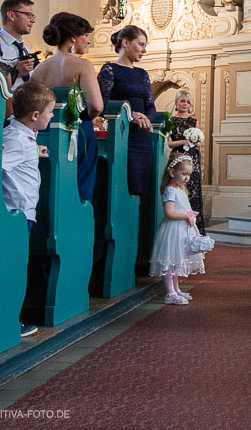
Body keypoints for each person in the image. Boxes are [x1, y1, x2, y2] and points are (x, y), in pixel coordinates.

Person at [2, 81, 55, 338]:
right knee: (14, 268)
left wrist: (34, 150)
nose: (52, 115)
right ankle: (10, 321)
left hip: (21, 213)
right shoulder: (16, 140)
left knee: (16, 266)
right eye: (50, 112)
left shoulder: (21, 137)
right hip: (16, 214)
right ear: (35, 116)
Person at [31, 12, 104, 202]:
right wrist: (85, 116)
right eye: (85, 36)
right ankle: (75, 223)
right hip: (77, 132)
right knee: (78, 188)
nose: (87, 41)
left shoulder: (39, 69)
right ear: (73, 38)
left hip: (45, 133)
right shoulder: (83, 65)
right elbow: (96, 105)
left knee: (50, 182)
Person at [97, 25, 156, 199]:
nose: (144, 50)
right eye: (141, 44)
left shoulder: (142, 74)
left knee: (141, 191)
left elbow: (151, 107)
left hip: (142, 137)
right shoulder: (109, 70)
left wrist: (145, 116)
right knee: (125, 187)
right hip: (122, 134)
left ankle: (136, 224)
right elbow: (102, 105)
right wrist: (130, 116)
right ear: (125, 42)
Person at [150, 155, 212, 305]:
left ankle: (176, 289)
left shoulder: (181, 189)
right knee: (170, 261)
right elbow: (169, 212)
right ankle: (170, 293)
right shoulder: (170, 190)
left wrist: (190, 216)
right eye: (183, 174)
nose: (187, 178)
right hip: (172, 231)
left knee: (177, 261)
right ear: (172, 173)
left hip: (181, 230)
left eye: (189, 174)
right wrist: (185, 216)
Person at [166, 89, 205, 233]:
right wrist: (183, 141)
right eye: (182, 101)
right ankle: (178, 229)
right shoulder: (171, 120)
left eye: (188, 102)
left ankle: (195, 232)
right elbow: (167, 143)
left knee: (194, 194)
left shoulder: (194, 121)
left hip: (193, 159)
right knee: (179, 191)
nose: (185, 104)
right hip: (178, 158)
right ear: (176, 103)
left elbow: (200, 143)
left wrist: (194, 141)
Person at [0, 0, 38, 90]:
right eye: (28, 15)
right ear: (11, 15)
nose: (33, 20)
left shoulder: (27, 51)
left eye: (33, 16)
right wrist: (17, 73)